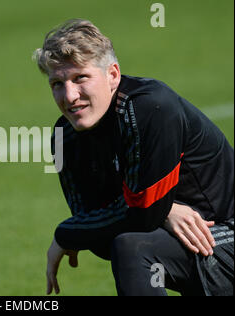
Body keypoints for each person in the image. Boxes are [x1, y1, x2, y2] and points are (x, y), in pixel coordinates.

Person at [33, 19, 234, 296]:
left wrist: (65, 233)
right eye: (57, 83)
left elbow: (135, 217)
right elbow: (98, 234)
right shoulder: (63, 136)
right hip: (191, 245)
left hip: (225, 232)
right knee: (129, 245)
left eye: (80, 78)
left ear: (113, 74)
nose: (69, 96)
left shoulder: (151, 106)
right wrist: (162, 212)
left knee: (133, 247)